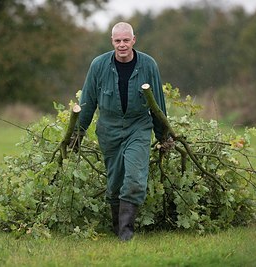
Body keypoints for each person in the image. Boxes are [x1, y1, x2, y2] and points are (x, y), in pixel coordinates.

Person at [72, 22, 168, 241]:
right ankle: (118, 228)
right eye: (118, 41)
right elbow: (87, 101)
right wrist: (77, 133)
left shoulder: (148, 65)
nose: (122, 45)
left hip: (138, 127)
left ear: (134, 40)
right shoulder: (98, 65)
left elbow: (158, 105)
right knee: (115, 182)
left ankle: (126, 234)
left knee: (134, 178)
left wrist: (164, 137)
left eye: (126, 40)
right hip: (109, 129)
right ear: (112, 41)